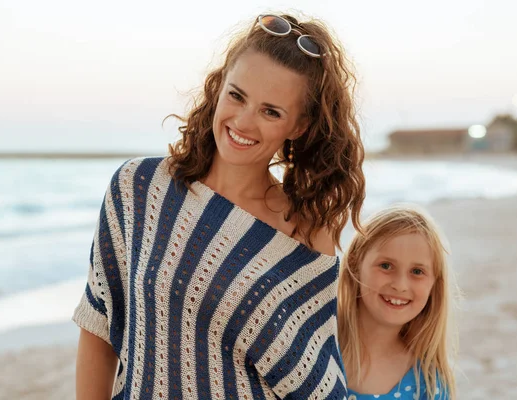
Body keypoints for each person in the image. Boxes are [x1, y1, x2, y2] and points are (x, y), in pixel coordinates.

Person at [72, 12, 366, 400]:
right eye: (237, 95)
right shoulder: (139, 189)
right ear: (219, 84)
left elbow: (316, 382)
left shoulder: (304, 231)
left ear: (299, 126)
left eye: (271, 111)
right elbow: (98, 324)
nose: (243, 122)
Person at [337, 204, 459, 400]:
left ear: (434, 285)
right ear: (354, 263)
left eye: (417, 272)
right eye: (386, 266)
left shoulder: (428, 386)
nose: (400, 285)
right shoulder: (315, 346)